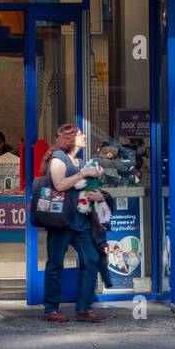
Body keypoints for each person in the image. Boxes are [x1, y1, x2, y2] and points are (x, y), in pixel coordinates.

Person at [41, 123, 105, 323]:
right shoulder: (58, 159)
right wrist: (82, 174)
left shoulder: (80, 161)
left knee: (92, 259)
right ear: (70, 138)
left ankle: (83, 308)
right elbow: (59, 185)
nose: (84, 136)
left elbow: (82, 188)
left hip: (81, 221)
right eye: (80, 134)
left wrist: (97, 194)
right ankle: (51, 309)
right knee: (55, 264)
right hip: (61, 221)